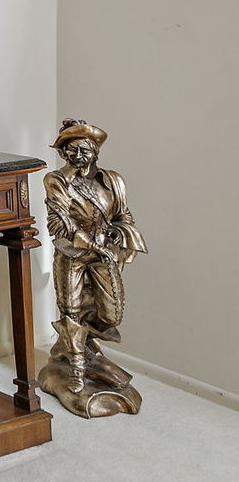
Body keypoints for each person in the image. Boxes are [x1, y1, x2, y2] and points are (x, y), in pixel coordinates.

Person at [44, 119, 146, 397]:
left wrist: (116, 236)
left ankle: (81, 345)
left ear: (95, 152)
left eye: (85, 150)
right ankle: (77, 367)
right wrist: (89, 243)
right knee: (70, 309)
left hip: (104, 255)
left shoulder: (112, 181)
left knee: (112, 315)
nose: (79, 155)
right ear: (64, 153)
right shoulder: (57, 180)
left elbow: (123, 216)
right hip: (72, 254)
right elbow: (59, 223)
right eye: (72, 150)